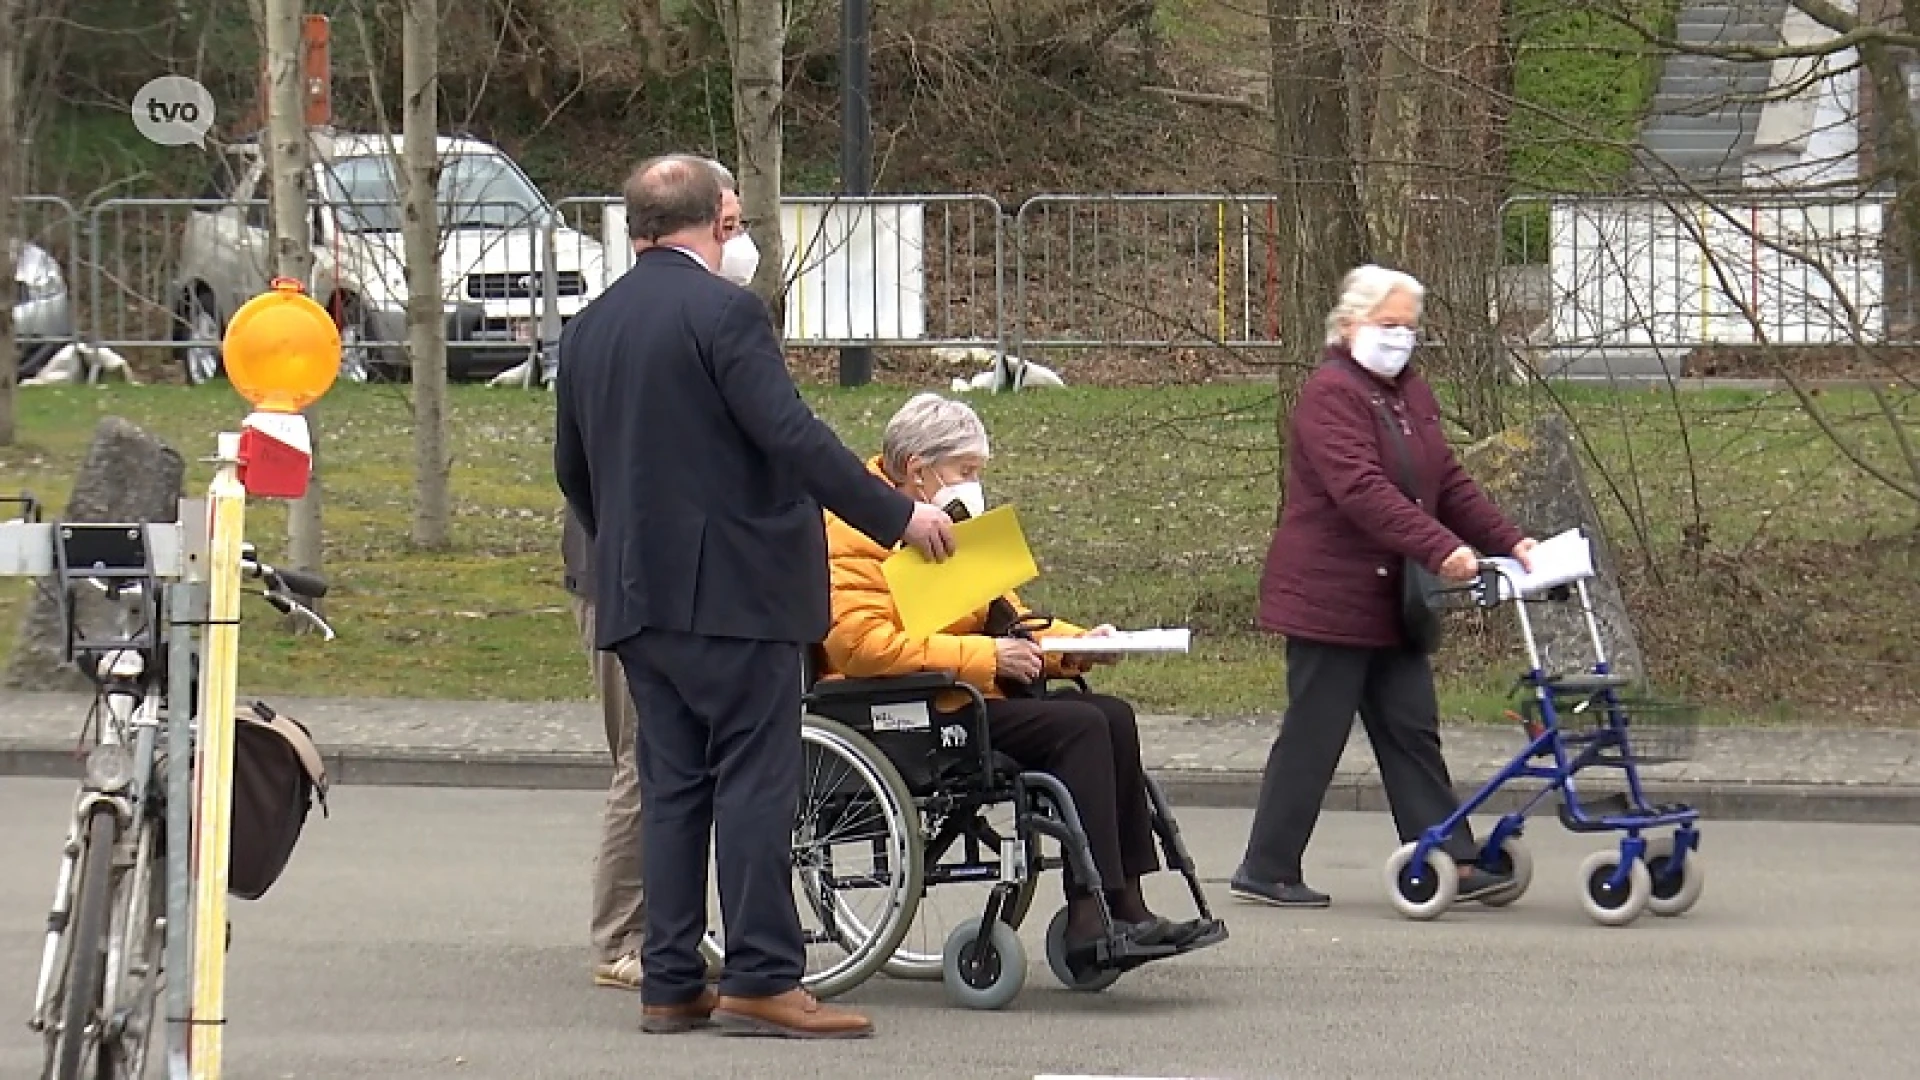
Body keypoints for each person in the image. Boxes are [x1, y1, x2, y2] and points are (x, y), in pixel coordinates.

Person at [553, 154, 957, 1039]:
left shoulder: (589, 329)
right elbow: (791, 438)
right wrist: (897, 516)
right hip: (737, 597)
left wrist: (628, 544)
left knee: (671, 786)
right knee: (752, 783)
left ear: (636, 228)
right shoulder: (725, 314)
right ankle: (763, 978)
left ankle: (669, 980)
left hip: (637, 598)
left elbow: (572, 473)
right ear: (716, 224)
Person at [818, 392, 1209, 953]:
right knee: (1079, 728)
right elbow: (861, 647)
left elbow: (1013, 620)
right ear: (917, 471)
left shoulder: (952, 525)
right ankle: (1087, 918)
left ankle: (1124, 902)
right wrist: (987, 658)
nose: (974, 483)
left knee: (1112, 716)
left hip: (964, 694)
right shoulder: (853, 532)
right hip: (905, 707)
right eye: (965, 470)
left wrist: (1077, 647)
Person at [1229, 264, 1537, 909]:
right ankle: (1268, 866)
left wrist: (1509, 542)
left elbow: (1446, 482)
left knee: (1411, 729)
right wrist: (1440, 548)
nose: (1400, 338)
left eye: (1409, 327)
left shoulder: (1409, 395)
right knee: (1315, 736)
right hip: (1329, 595)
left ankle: (1445, 853)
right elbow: (1361, 490)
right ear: (1349, 325)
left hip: (1393, 598)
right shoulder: (1329, 395)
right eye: (1387, 324)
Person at [562, 158, 757, 992]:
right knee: (648, 760)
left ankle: (661, 936)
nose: (740, 242)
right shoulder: (675, 320)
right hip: (634, 574)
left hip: (627, 565)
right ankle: (623, 938)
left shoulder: (612, 322)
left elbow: (579, 467)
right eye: (734, 223)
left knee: (657, 758)